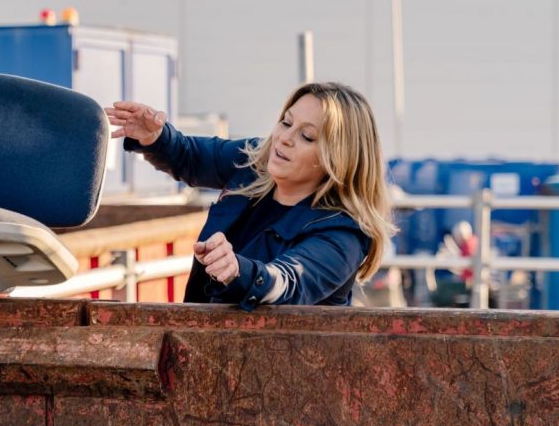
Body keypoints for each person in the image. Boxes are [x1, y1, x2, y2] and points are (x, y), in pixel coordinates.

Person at [107, 82, 395, 309]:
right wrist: (155, 137)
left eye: (306, 136)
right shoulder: (255, 160)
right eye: (286, 122)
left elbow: (287, 282)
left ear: (339, 160)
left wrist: (238, 271)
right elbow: (190, 157)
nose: (284, 138)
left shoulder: (342, 235)